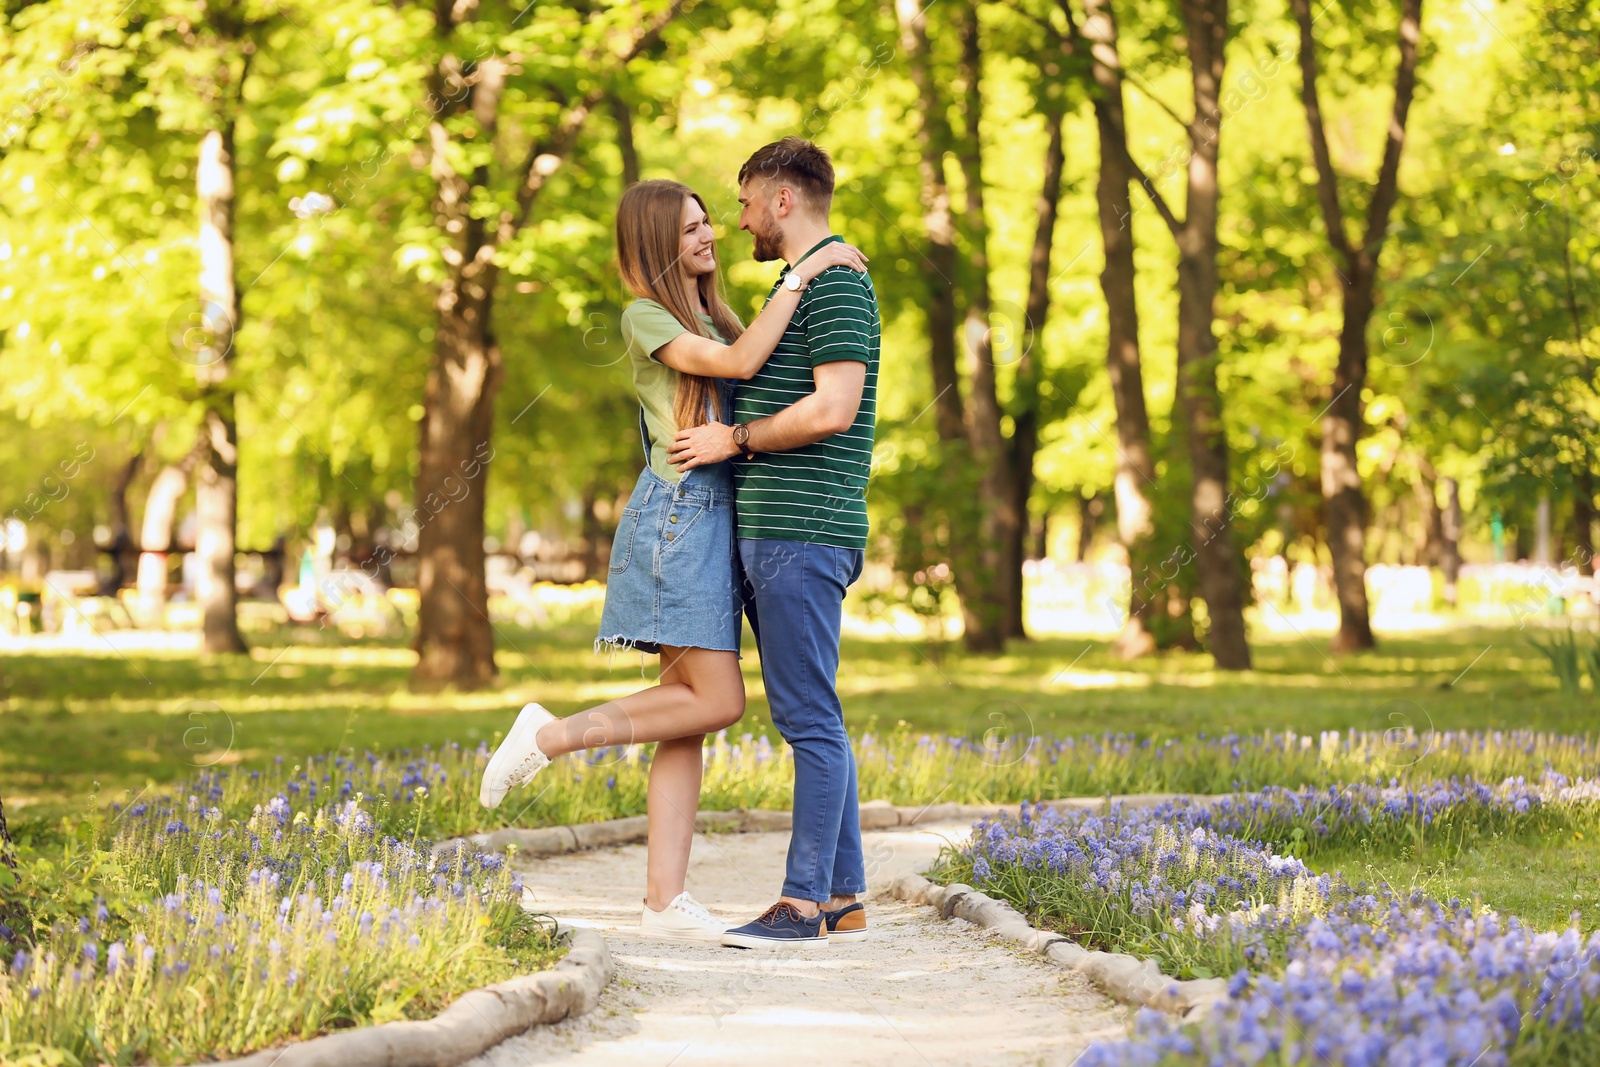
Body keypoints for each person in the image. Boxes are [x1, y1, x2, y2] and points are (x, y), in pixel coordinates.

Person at [478, 178, 867, 943]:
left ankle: (664, 900)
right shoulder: (646, 315)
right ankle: (549, 735)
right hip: (681, 520)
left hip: (720, 521)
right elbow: (740, 363)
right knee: (717, 701)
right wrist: (805, 271)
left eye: (708, 223)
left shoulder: (714, 311)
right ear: (658, 242)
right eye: (691, 229)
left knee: (683, 716)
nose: (710, 236)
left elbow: (757, 365)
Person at [669, 138, 880, 949]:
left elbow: (832, 408)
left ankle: (801, 905)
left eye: (748, 199)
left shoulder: (838, 288)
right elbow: (743, 352)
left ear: (784, 201)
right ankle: (844, 892)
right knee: (815, 709)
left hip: (802, 531)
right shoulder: (808, 285)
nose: (741, 217)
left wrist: (738, 440)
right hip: (782, 530)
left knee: (807, 718)